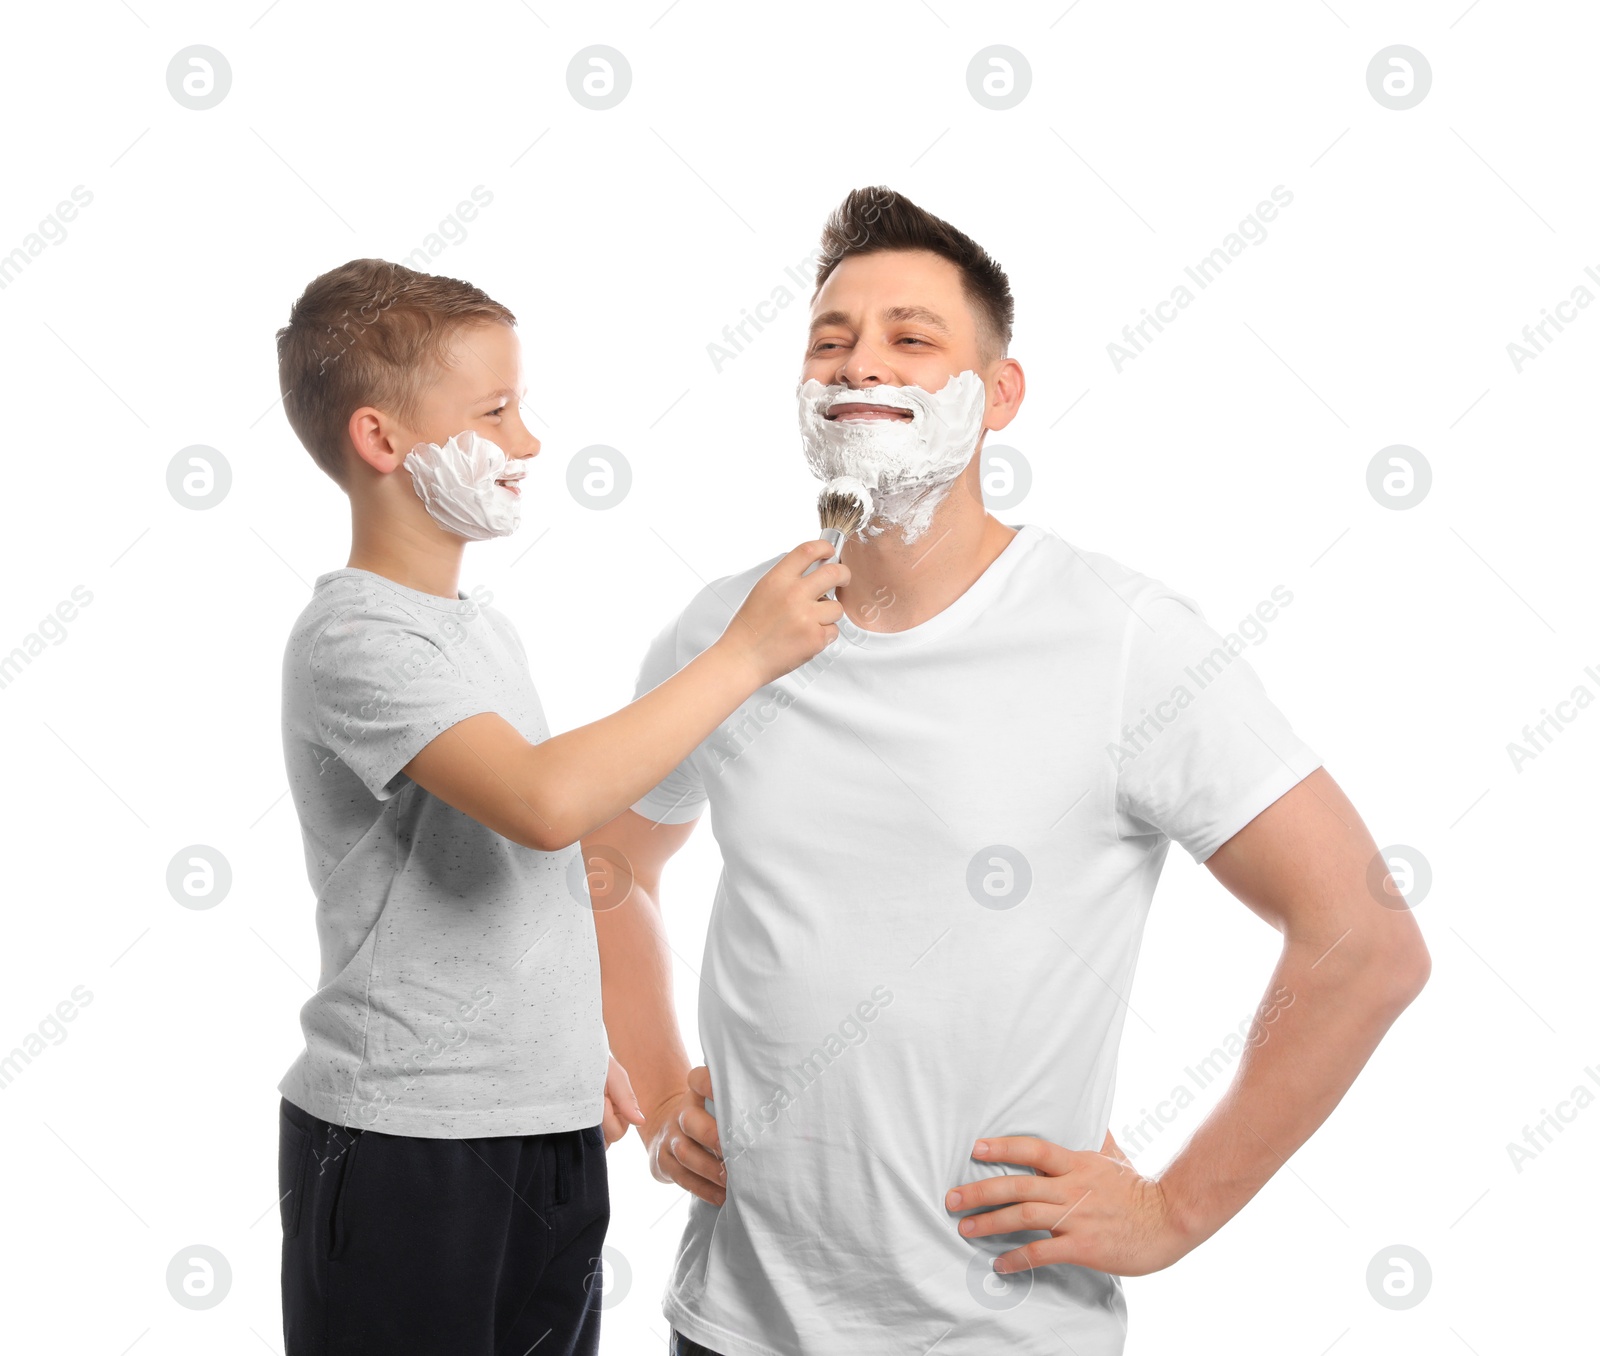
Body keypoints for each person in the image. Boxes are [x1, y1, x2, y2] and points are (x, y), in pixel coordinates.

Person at [588, 188, 1431, 1355]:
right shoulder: (721, 634)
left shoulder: (1124, 640)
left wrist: (1174, 1211)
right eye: (828, 339)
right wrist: (661, 1088)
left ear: (997, 397)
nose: (856, 362)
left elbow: (1366, 940)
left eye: (909, 336)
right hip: (729, 1325)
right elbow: (605, 863)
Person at [272, 258, 847, 1356]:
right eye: (496, 412)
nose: (529, 442)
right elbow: (542, 808)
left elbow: (522, 883)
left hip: (542, 1128)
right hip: (405, 1140)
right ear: (382, 442)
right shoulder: (353, 640)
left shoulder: (477, 629)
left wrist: (568, 1049)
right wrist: (743, 656)